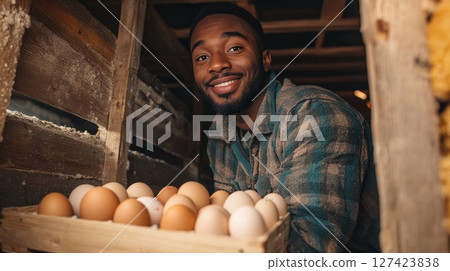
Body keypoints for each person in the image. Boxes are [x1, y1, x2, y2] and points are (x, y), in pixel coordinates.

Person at [189, 3, 380, 252]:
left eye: (234, 48)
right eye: (202, 57)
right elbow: (230, 225)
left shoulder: (316, 116)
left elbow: (310, 252)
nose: (217, 65)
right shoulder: (219, 134)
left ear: (265, 59)